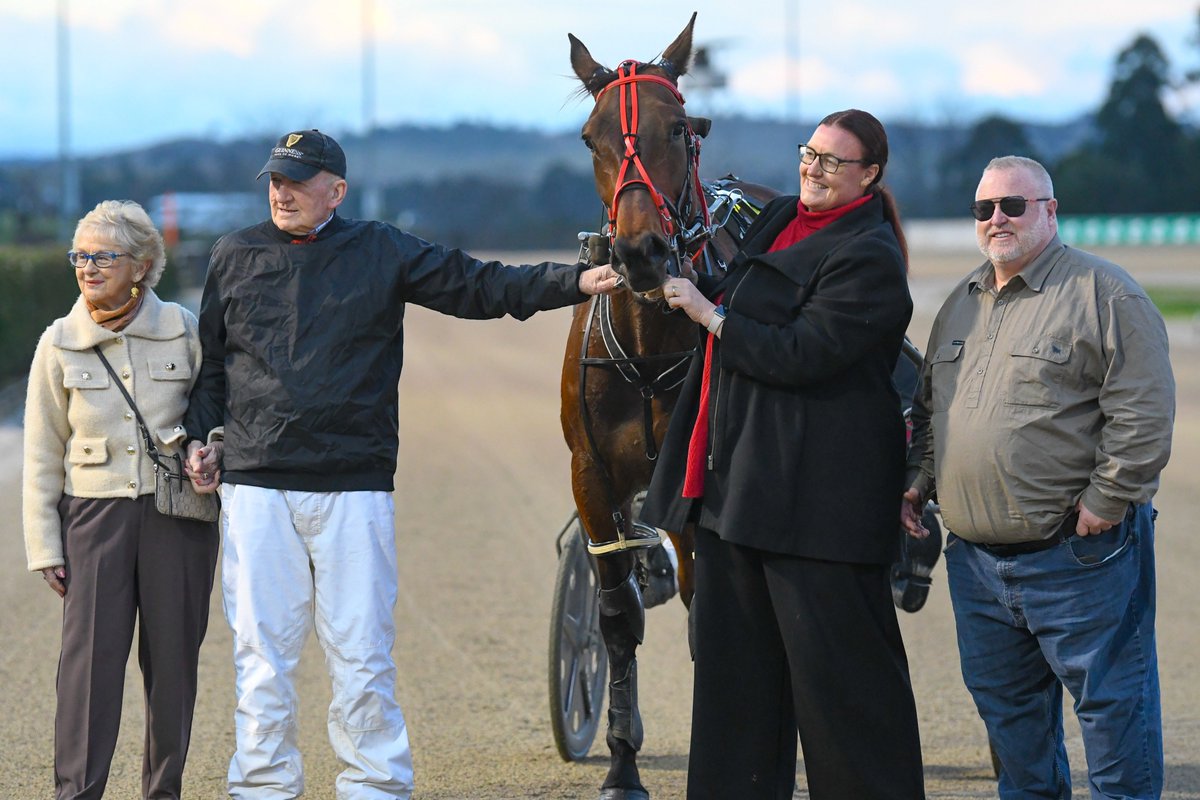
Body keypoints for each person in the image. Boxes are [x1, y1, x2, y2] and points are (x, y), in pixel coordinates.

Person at [183, 129, 618, 799]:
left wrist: (576, 282)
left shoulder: (382, 250)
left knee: (361, 659)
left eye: (297, 181)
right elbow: (213, 365)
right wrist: (200, 438)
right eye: (275, 178)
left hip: (353, 486)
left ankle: (375, 787)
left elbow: (480, 285)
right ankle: (263, 788)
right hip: (256, 488)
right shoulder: (233, 254)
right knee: (261, 661)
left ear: (337, 191)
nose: (281, 190)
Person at [641, 109, 925, 799]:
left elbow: (804, 353)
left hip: (820, 515)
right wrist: (679, 284)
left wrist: (712, 319)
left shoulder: (871, 258)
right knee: (736, 701)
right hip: (741, 496)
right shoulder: (781, 219)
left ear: (870, 176)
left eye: (833, 161)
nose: (814, 169)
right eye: (810, 153)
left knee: (846, 708)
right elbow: (741, 296)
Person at [902, 156, 1174, 798]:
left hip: (1080, 559)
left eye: (1013, 205)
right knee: (1016, 738)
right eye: (983, 209)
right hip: (977, 568)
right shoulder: (959, 305)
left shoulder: (1105, 293)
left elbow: (1145, 410)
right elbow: (931, 410)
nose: (996, 219)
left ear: (1050, 211)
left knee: (1114, 724)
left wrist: (1106, 502)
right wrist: (920, 480)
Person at [22, 200, 220, 799]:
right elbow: (41, 453)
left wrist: (211, 450)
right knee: (87, 671)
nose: (87, 266)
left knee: (172, 669)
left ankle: (163, 791)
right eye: (79, 255)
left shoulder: (185, 330)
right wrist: (44, 545)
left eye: (102, 256)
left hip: (177, 517)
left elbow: (217, 411)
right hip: (92, 517)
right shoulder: (58, 342)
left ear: (141, 264)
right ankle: (77, 792)